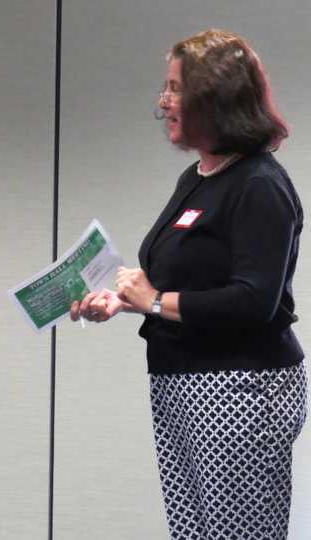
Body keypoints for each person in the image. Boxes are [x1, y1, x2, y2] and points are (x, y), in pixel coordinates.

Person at [70, 30, 306, 539]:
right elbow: (188, 282)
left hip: (240, 390)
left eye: (176, 88)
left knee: (237, 534)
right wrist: (123, 301)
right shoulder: (200, 176)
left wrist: (154, 300)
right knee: (195, 532)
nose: (164, 101)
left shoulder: (259, 185)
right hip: (181, 381)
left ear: (214, 97)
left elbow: (253, 301)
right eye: (167, 87)